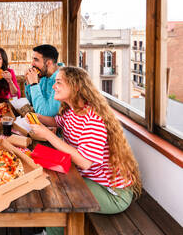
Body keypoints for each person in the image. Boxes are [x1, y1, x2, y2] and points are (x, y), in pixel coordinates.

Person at [27, 66, 142, 235]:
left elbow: (84, 162)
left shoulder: (93, 120)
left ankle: (51, 232)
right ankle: (51, 228)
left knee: (61, 190)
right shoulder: (72, 111)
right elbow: (55, 121)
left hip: (111, 193)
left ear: (76, 86)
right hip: (90, 179)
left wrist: (46, 134)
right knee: (51, 178)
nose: (53, 86)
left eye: (58, 82)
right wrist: (31, 116)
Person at [25, 44, 62, 116]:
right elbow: (33, 103)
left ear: (48, 63)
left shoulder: (62, 80)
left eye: (36, 60)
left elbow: (46, 113)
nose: (32, 63)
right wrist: (29, 83)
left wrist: (34, 84)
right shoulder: (44, 75)